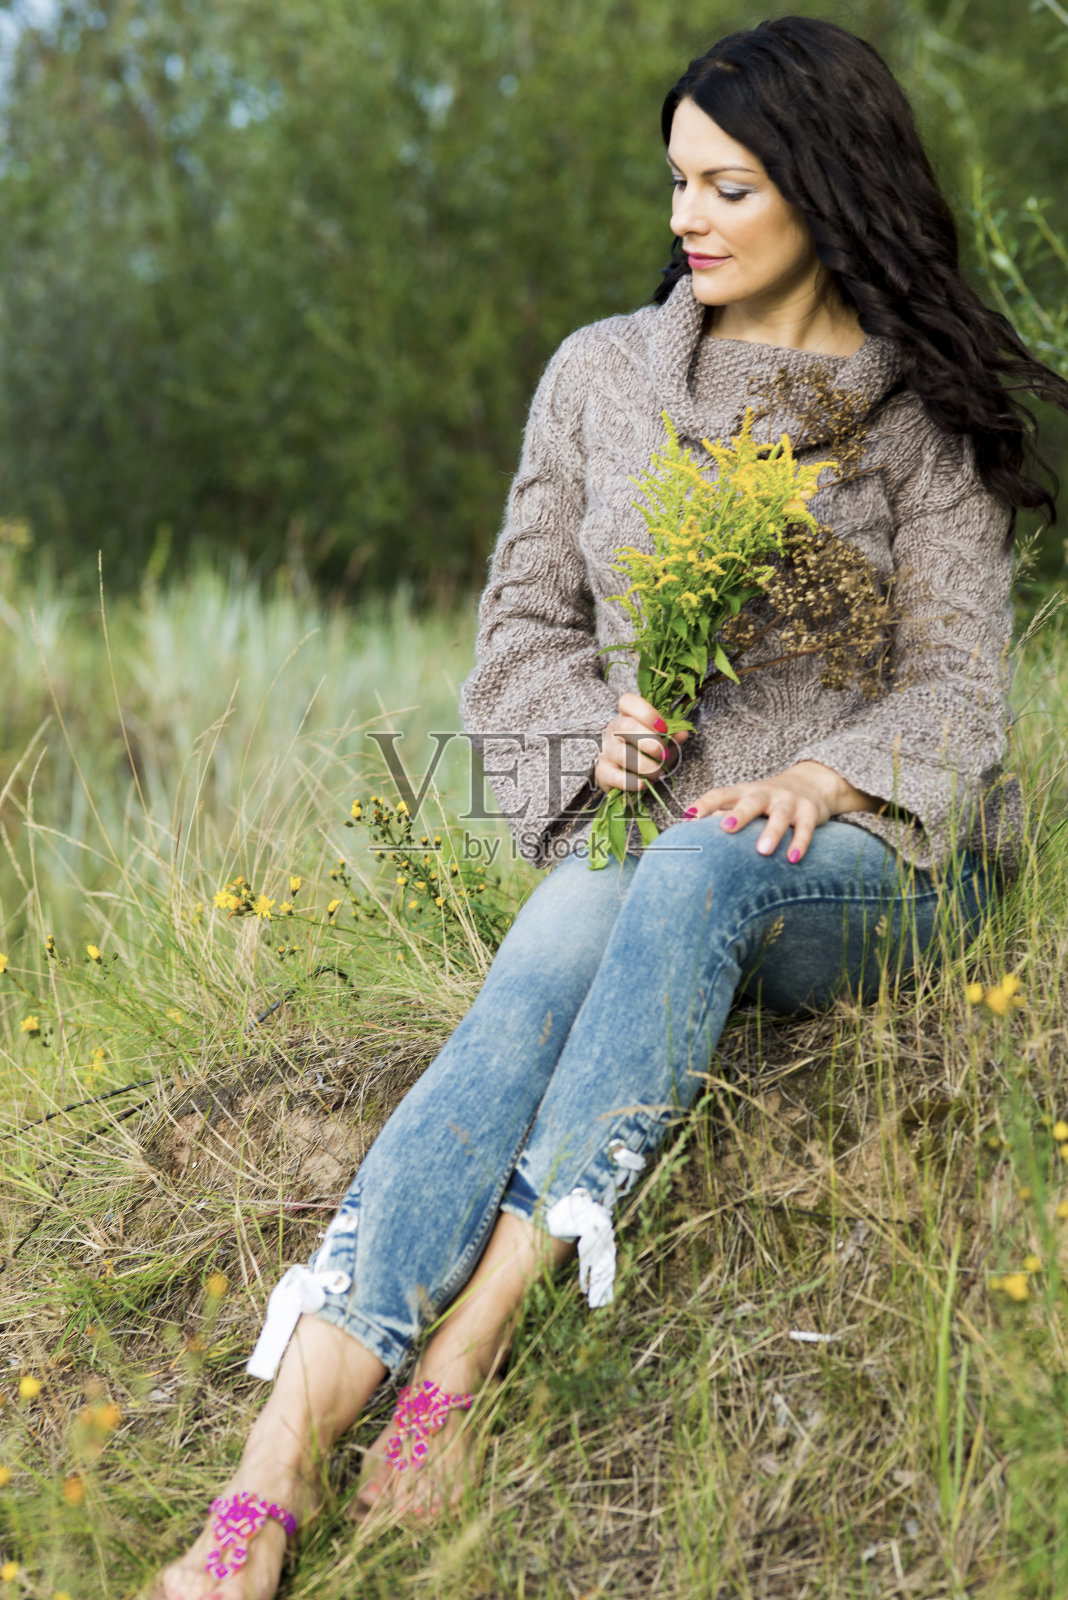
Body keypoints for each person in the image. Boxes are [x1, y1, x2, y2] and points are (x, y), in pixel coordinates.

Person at [154, 16, 1068, 1598]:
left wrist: (822, 773)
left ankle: (469, 1346)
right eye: (676, 184)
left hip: (872, 864)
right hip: (654, 841)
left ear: (827, 190)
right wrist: (603, 730)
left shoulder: (922, 413)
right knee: (531, 991)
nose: (687, 219)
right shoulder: (600, 379)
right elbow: (517, 644)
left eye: (727, 185)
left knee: (704, 872)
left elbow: (961, 695)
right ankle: (281, 1451)